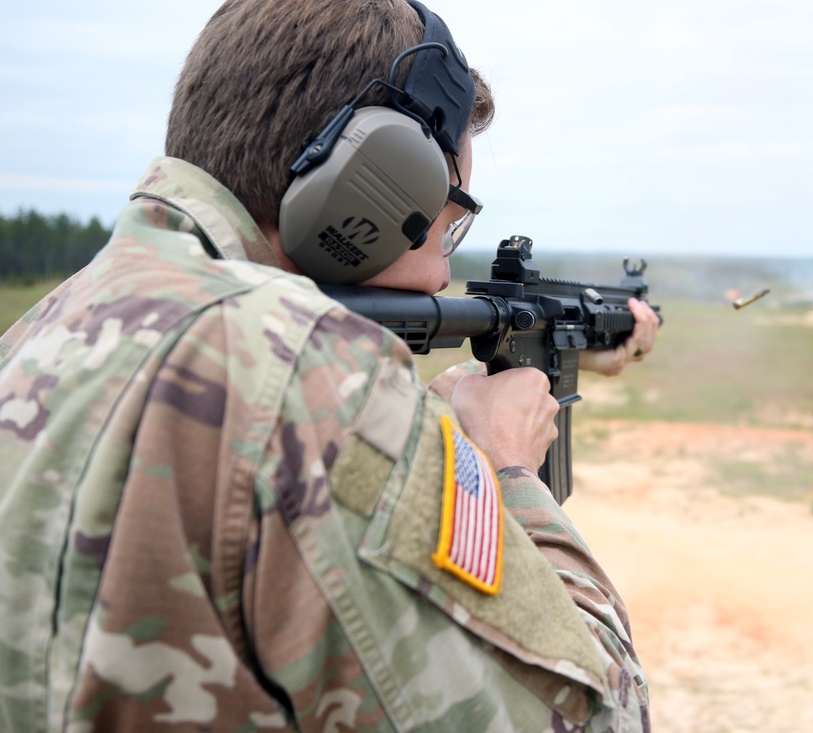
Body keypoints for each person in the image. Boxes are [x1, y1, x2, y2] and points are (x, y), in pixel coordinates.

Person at [0, 0, 659, 730]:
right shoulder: (310, 380)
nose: (444, 274)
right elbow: (600, 717)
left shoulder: (49, 326)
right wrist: (505, 474)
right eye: (450, 214)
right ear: (376, 186)